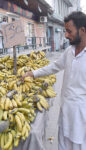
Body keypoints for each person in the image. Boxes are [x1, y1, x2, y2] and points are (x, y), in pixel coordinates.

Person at [22, 11, 86, 150]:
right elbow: (54, 67)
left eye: (69, 31)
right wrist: (33, 73)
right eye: (65, 31)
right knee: (62, 144)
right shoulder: (69, 51)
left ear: (82, 30)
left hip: (80, 116)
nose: (66, 35)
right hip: (65, 111)